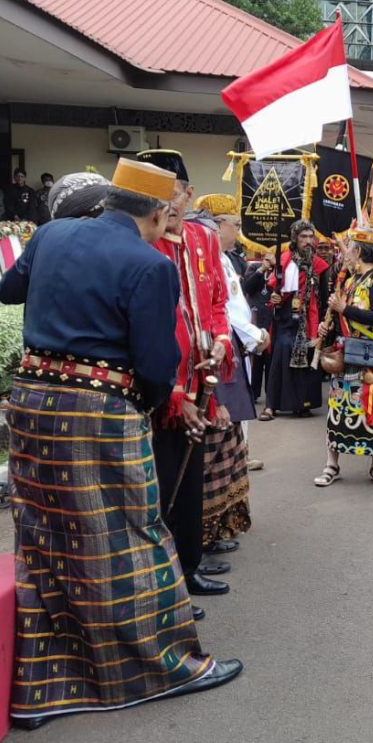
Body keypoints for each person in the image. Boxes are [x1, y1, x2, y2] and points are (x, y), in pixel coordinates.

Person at [0, 157, 242, 730]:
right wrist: (160, 402)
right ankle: (170, 666)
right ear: (157, 212)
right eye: (169, 217)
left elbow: (10, 292)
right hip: (101, 410)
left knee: (44, 535)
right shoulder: (148, 265)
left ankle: (42, 690)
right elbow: (158, 364)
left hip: (31, 403)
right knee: (132, 534)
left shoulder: (52, 233)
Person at [142, 149, 234, 598]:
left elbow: (217, 302)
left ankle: (190, 567)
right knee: (157, 485)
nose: (166, 206)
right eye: (155, 196)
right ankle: (163, 582)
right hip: (157, 388)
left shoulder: (204, 239)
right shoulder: (142, 240)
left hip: (200, 382)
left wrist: (220, 343)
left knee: (189, 477)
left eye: (172, 194)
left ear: (187, 193)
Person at [196, 194, 268, 547]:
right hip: (216, 354)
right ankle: (204, 530)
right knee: (218, 437)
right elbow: (225, 312)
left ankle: (223, 520)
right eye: (234, 224)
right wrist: (255, 335)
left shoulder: (226, 259)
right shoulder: (204, 261)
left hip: (232, 350)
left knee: (231, 439)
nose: (239, 232)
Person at [314, 230, 373, 488]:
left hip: (370, 358)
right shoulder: (351, 281)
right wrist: (327, 327)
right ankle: (332, 463)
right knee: (338, 411)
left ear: (358, 252)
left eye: (348, 248)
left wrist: (344, 309)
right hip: (347, 353)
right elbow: (343, 318)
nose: (344, 253)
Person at [261, 220, 330, 418]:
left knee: (306, 358)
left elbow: (324, 298)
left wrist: (324, 324)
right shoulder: (284, 260)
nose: (308, 241)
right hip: (285, 318)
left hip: (310, 319)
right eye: (303, 237)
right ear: (295, 238)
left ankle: (302, 403)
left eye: (310, 237)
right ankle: (271, 405)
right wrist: (274, 297)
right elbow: (274, 288)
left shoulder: (320, 265)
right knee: (281, 356)